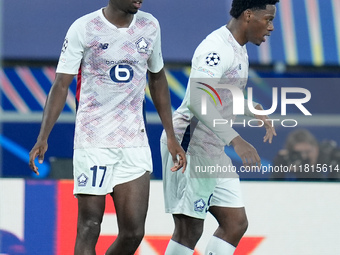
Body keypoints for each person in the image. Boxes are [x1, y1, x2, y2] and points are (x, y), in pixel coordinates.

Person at [28, 1, 186, 254]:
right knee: (90, 226)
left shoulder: (150, 25)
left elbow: (157, 78)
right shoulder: (84, 27)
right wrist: (42, 136)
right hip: (93, 143)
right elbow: (60, 84)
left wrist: (171, 135)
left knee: (133, 232)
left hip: (134, 142)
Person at [160, 0, 279, 254]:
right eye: (268, 19)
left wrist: (250, 107)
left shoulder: (239, 48)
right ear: (248, 15)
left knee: (235, 223)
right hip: (189, 145)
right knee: (189, 230)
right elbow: (196, 98)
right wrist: (236, 140)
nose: (271, 27)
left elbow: (222, 92)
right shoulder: (216, 48)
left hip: (212, 148)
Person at [272, 128, 340, 181]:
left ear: (316, 148)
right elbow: (273, 185)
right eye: (299, 153)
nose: (304, 156)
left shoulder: (332, 155)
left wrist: (307, 169)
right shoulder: (288, 158)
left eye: (307, 152)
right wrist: (280, 162)